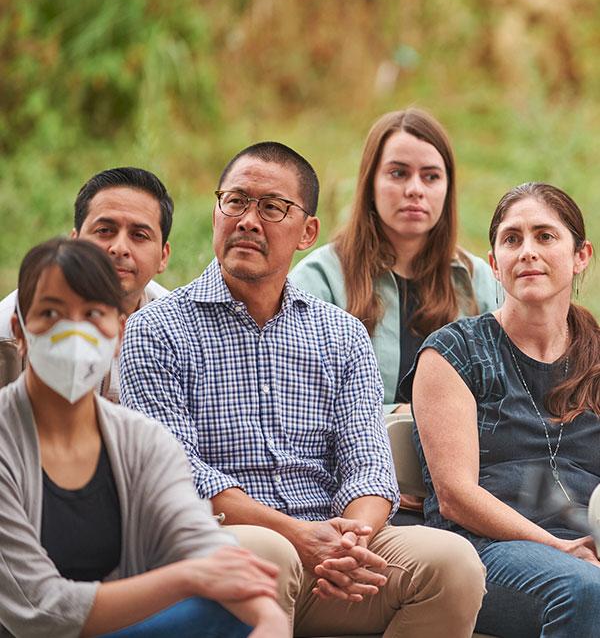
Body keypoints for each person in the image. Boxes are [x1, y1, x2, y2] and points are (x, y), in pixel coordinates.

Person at [120, 141, 486, 637]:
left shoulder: (341, 334)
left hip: (332, 550)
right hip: (217, 544)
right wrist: (298, 536)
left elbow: (369, 465)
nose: (249, 221)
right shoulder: (157, 329)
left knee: (453, 564)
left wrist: (350, 543)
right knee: (269, 553)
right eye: (235, 202)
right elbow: (176, 472)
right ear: (215, 213)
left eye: (272, 208)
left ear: (307, 232)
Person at [0, 237, 287, 638]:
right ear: (19, 330)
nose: (74, 334)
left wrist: (269, 617)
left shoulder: (143, 440)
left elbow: (199, 540)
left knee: (232, 612)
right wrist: (186, 578)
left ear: (120, 331)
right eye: (51, 313)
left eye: (93, 314)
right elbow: (41, 609)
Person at [403, 182, 600, 637]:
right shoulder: (453, 352)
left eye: (545, 236)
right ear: (495, 263)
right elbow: (455, 496)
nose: (527, 251)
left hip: (588, 546)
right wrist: (560, 548)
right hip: (484, 551)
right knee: (586, 590)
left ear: (581, 256)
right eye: (512, 239)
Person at [290, 108, 496, 413]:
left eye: (431, 177)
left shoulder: (478, 280)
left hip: (462, 444)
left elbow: (507, 396)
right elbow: (294, 396)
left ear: (447, 188)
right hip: (348, 444)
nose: (415, 190)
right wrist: (398, 415)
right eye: (398, 173)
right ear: (370, 183)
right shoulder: (318, 280)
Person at [0, 167, 172, 400]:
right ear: (74, 242)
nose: (119, 248)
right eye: (104, 231)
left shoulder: (174, 327)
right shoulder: (12, 326)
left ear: (163, 256)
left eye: (139, 235)